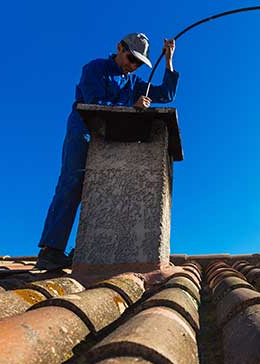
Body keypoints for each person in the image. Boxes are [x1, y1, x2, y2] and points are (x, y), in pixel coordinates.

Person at [36, 33, 179, 270]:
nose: (133, 66)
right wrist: (131, 106)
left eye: (138, 63)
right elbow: (94, 102)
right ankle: (51, 251)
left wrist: (169, 61)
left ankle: (88, 249)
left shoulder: (133, 83)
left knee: (105, 188)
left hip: (108, 141)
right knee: (72, 182)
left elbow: (165, 94)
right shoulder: (95, 68)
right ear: (119, 48)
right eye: (131, 59)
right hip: (83, 132)